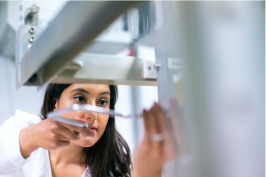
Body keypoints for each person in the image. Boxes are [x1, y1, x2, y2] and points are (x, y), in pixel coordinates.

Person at [0, 84, 176, 177]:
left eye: (102, 102)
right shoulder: (22, 126)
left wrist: (147, 171)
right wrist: (30, 138)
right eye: (80, 98)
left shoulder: (116, 169)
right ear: (56, 103)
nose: (93, 114)